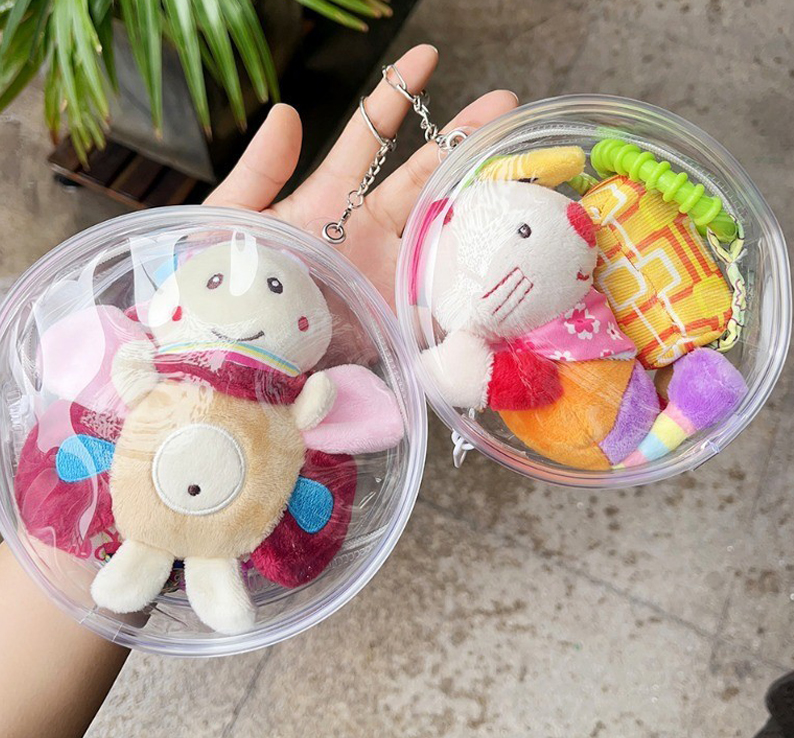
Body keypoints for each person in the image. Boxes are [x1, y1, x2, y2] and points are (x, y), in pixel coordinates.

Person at [0, 44, 518, 738]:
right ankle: (172, 561)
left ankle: (165, 560)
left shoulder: (215, 370)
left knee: (192, 546)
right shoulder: (151, 356)